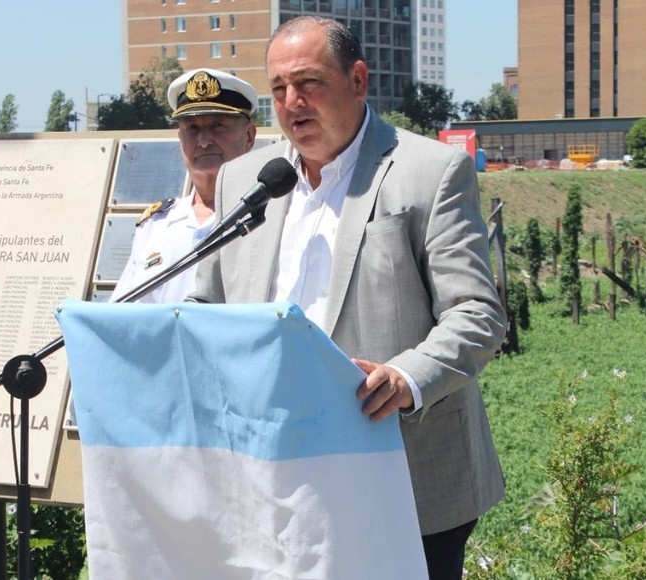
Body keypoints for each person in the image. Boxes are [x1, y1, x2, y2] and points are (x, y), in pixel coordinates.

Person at [188, 16, 507, 579]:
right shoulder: (246, 180)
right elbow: (206, 306)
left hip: (404, 475)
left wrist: (405, 378)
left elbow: (476, 313)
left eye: (308, 83)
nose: (292, 102)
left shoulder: (430, 171)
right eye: (278, 89)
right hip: (274, 477)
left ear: (357, 80)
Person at [110, 68, 258, 303]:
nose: (204, 141)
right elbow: (121, 313)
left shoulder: (268, 218)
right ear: (180, 138)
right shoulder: (156, 225)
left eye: (218, 126)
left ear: (249, 136)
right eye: (192, 128)